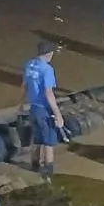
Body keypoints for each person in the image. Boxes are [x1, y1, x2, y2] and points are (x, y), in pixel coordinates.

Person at [21, 39, 64, 181]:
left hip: (33, 107)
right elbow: (48, 92)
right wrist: (57, 113)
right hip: (44, 109)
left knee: (37, 138)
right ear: (49, 53)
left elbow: (24, 85)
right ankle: (48, 171)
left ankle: (34, 164)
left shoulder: (29, 64)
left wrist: (22, 103)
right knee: (49, 140)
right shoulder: (47, 69)